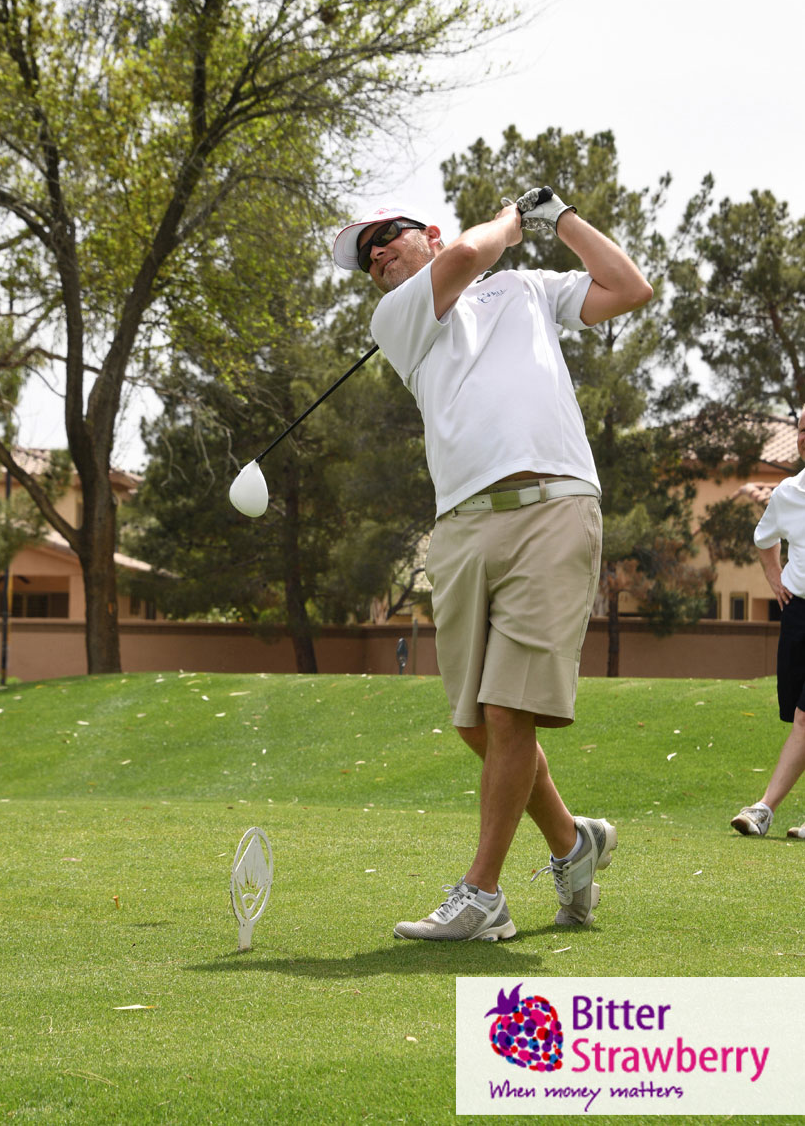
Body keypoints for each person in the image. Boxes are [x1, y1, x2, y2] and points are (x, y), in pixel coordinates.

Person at [332, 188, 653, 940]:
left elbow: (629, 287)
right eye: (365, 255)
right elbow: (472, 254)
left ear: (426, 231)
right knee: (477, 722)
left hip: (553, 505)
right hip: (462, 527)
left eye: (386, 236)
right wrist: (516, 219)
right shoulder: (398, 316)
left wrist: (562, 217)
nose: (375, 254)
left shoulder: (529, 290)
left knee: (510, 710)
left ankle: (482, 894)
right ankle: (573, 841)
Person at [731, 407, 805, 839]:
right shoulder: (788, 493)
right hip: (798, 616)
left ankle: (763, 808)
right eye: (802, 431)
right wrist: (775, 579)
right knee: (799, 714)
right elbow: (765, 540)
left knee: (803, 718)